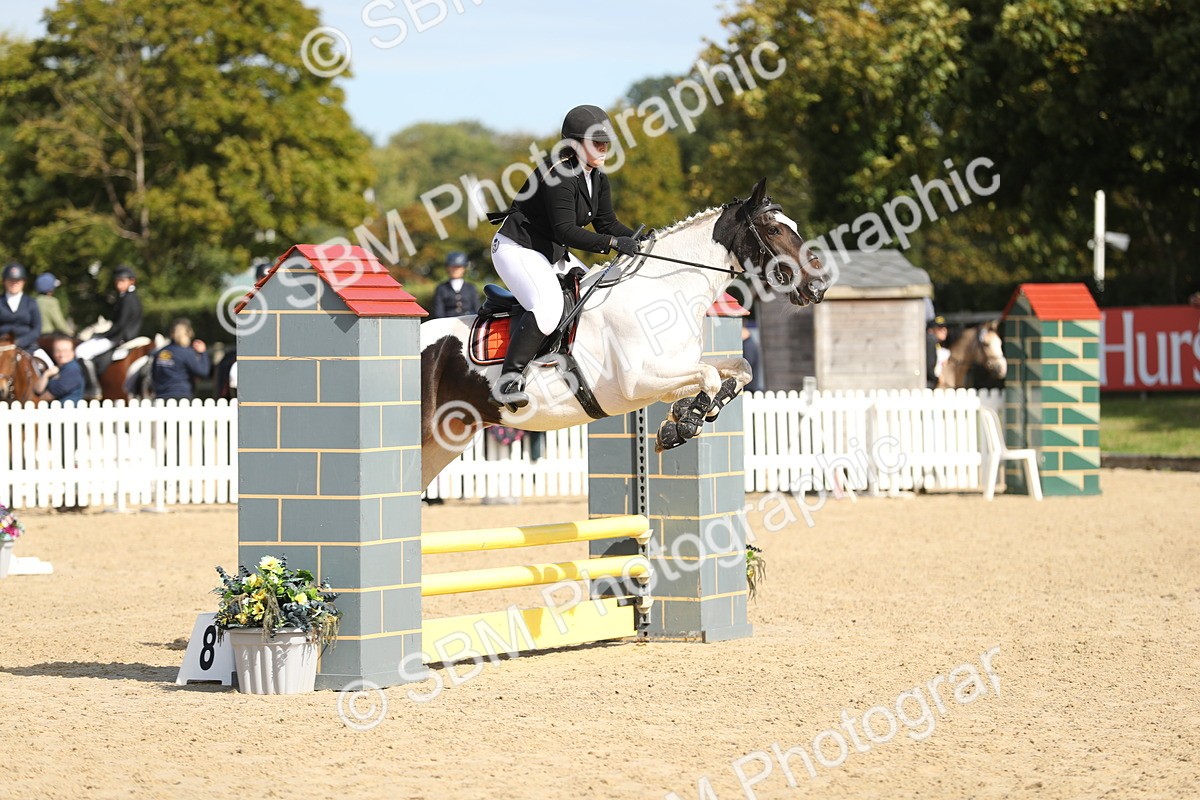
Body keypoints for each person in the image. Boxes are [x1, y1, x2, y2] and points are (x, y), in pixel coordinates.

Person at [486, 104, 640, 410]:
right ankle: (508, 381)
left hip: (551, 251)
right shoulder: (559, 173)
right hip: (517, 248)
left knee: (599, 293)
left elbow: (607, 224)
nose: (603, 147)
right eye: (596, 142)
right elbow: (567, 230)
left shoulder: (597, 177)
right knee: (548, 306)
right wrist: (613, 243)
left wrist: (643, 240)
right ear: (575, 144)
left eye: (606, 142)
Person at [76, 266, 144, 394]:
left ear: (131, 281)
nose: (119, 284)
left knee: (81, 351)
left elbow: (120, 324)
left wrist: (103, 334)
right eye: (117, 281)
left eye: (122, 281)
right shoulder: (127, 297)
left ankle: (92, 387)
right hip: (121, 334)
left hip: (119, 336)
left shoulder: (128, 299)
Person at [0, 262, 50, 366]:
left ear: (23, 282)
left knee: (49, 366)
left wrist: (20, 342)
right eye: (10, 280)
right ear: (4, 281)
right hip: (2, 347)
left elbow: (37, 328)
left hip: (28, 347)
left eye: (17, 281)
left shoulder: (31, 302)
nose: (14, 283)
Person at [151, 318, 210, 400]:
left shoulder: (159, 353)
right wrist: (203, 353)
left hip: (161, 397)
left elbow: (154, 375)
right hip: (182, 396)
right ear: (188, 334)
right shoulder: (186, 353)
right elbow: (203, 372)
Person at [32, 334, 85, 403]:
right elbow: (38, 390)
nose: (61, 355)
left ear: (73, 352)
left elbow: (47, 397)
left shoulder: (72, 370)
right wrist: (46, 375)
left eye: (65, 351)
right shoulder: (57, 368)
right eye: (58, 351)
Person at [431, 251, 482, 318]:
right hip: (448, 321)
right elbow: (438, 312)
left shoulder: (471, 288)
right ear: (448, 268)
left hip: (468, 321)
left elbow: (477, 309)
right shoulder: (441, 288)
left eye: (458, 267)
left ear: (463, 268)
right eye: (452, 267)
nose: (455, 270)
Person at [34, 272, 75, 336]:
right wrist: (70, 333)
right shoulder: (51, 302)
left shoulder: (34, 301)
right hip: (47, 337)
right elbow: (59, 322)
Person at [926, 316, 949, 389]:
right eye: (940, 328)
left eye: (945, 327)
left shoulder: (937, 345)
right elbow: (929, 367)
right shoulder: (930, 342)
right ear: (930, 330)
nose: (944, 330)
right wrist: (937, 379)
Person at [742, 322, 764, 393]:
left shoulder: (748, 346)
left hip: (749, 389)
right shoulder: (749, 343)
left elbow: (746, 367)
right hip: (750, 387)